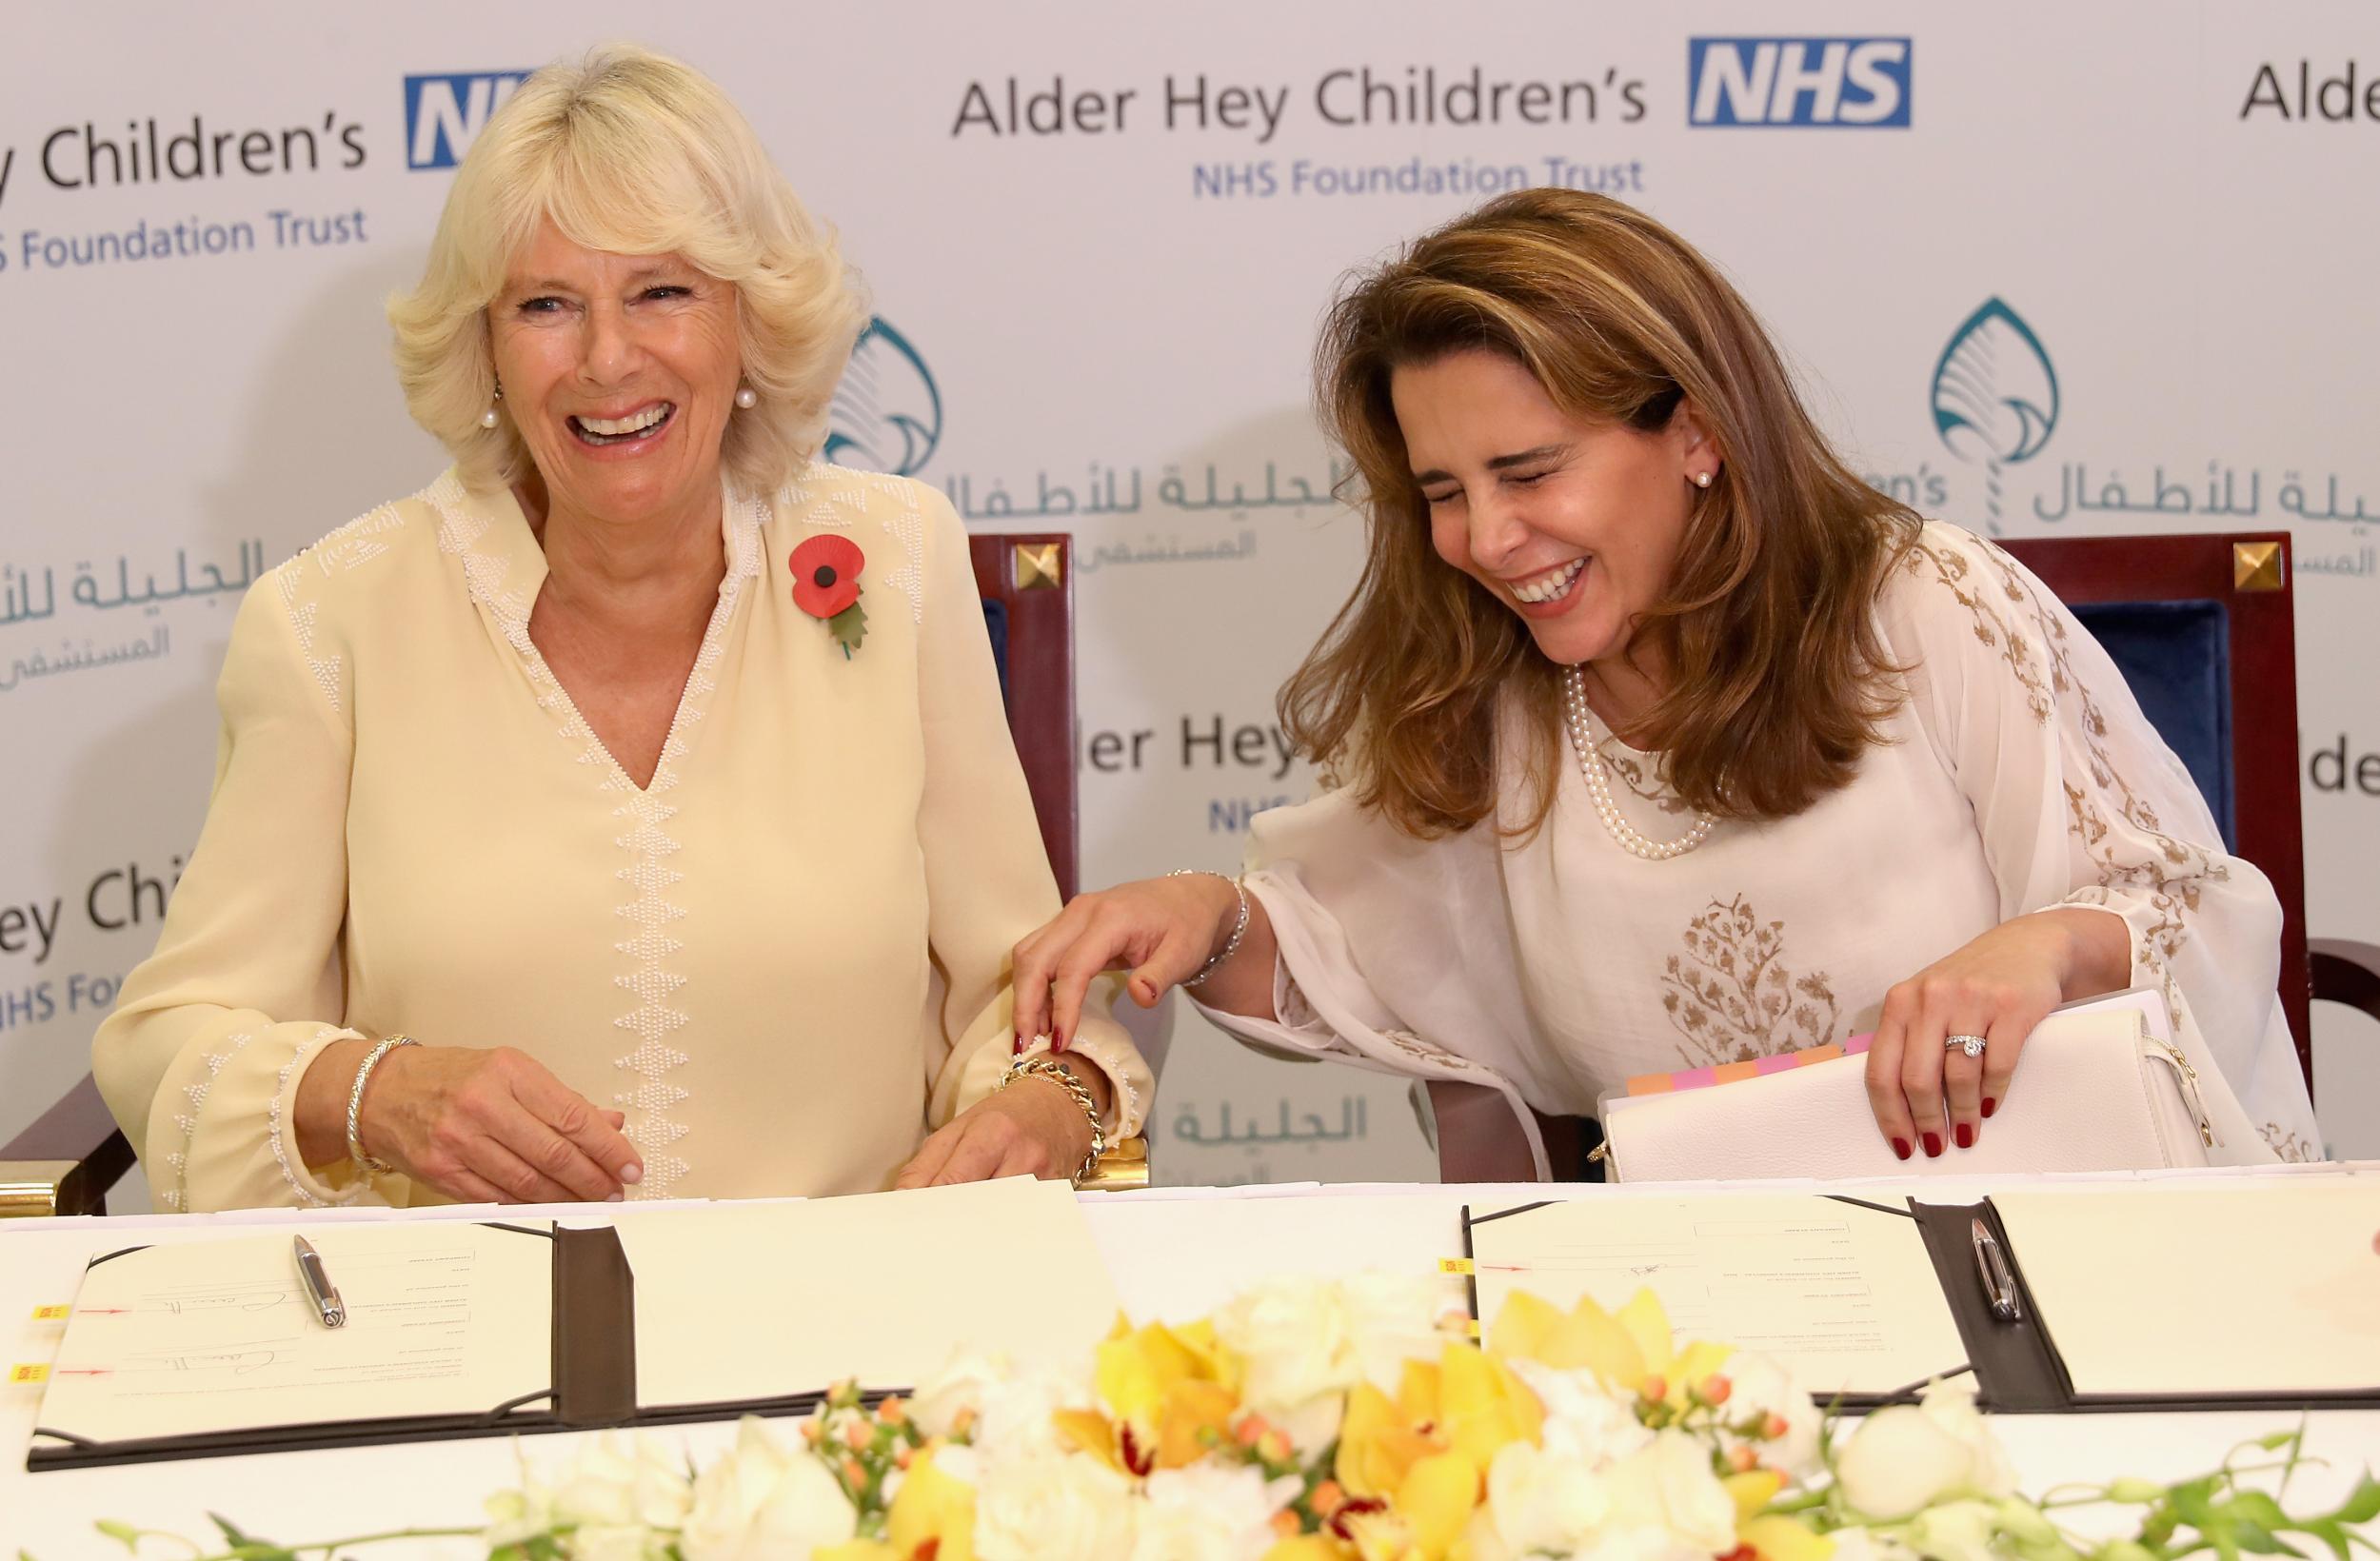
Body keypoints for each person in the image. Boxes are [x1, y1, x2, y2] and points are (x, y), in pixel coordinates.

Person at [1013, 188, 2318, 1175]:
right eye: (1442, 495)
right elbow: (1352, 950)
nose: (1485, 540)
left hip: (2041, 1264)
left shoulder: (1923, 603)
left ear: (1695, 431)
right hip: (1701, 1322)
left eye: (1529, 473)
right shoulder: (1499, 692)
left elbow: (2190, 912)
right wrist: (1201, 912)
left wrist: (2045, 945)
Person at [92, 45, 1147, 1213]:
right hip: (468, 1346)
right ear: (485, 346)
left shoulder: (896, 567)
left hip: (840, 1340)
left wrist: (1049, 1102)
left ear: (747, 318)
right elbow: (162, 1046)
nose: (606, 360)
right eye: (547, 304)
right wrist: (374, 1088)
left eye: (662, 293)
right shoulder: (328, 619)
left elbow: (1028, 1002)